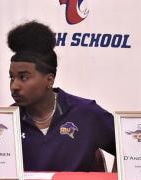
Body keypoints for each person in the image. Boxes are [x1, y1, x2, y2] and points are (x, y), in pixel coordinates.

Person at [7, 21, 116, 171]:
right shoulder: (6, 120)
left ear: (49, 80)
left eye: (24, 77)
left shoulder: (86, 113)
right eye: (12, 77)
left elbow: (130, 149)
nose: (14, 86)